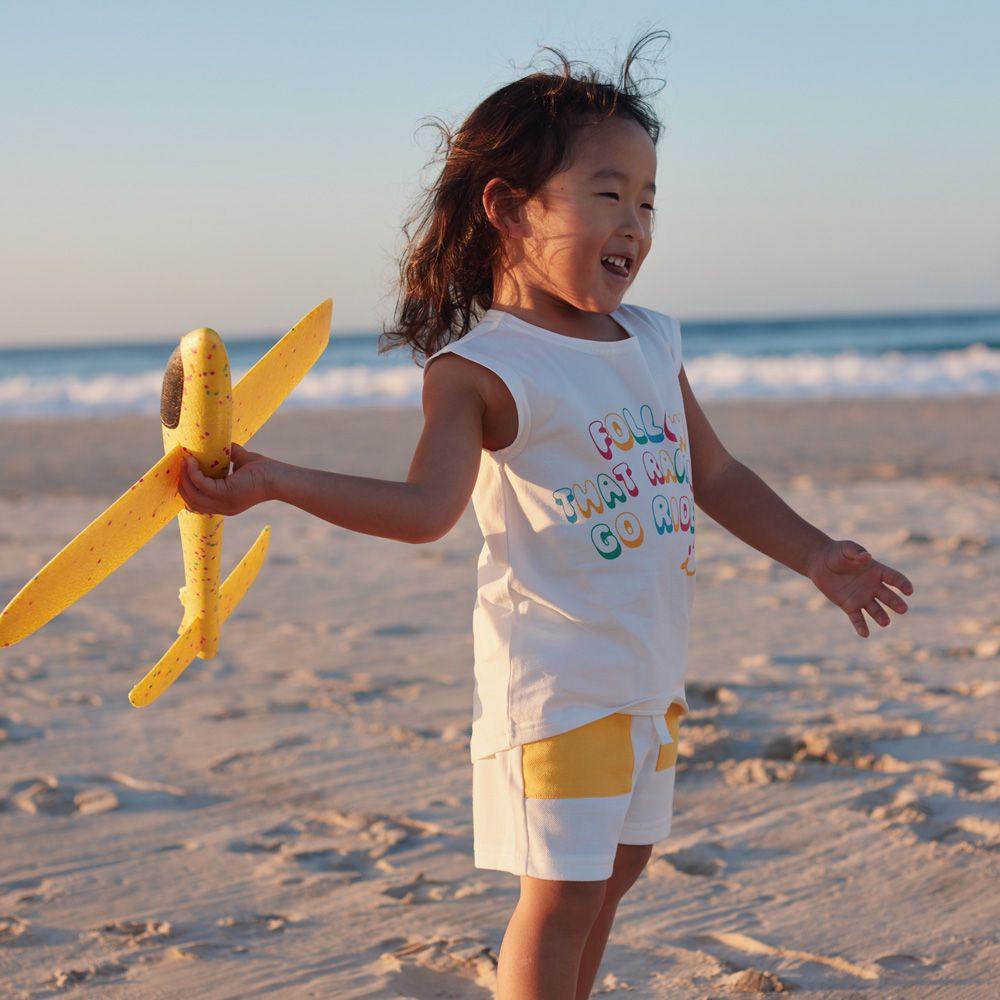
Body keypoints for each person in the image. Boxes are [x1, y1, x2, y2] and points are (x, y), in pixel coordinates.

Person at [178, 32, 914, 1000]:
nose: (636, 222)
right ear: (510, 209)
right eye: (607, 194)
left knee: (617, 872)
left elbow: (716, 472)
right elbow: (423, 509)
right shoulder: (483, 369)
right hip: (554, 684)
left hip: (647, 672)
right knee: (561, 895)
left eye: (648, 199)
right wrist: (273, 477)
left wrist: (818, 556)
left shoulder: (649, 339)